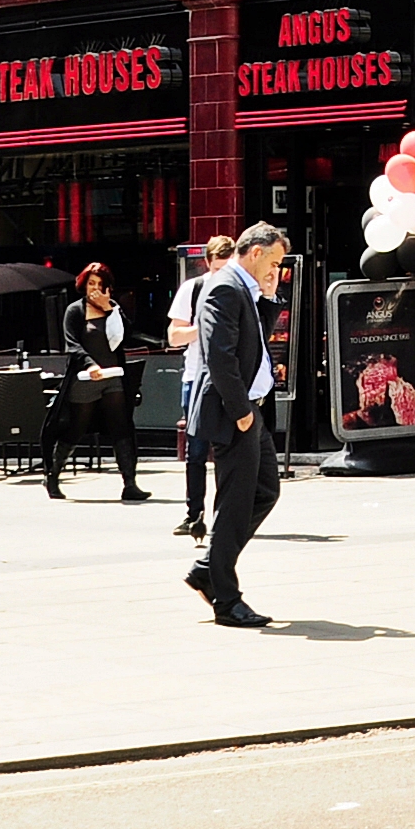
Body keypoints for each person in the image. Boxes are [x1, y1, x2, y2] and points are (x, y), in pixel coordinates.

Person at [187, 225, 286, 628]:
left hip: (252, 409)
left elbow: (255, 340)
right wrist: (240, 409)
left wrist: (268, 295)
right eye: (275, 261)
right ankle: (226, 599)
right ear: (257, 251)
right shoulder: (224, 286)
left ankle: (209, 568)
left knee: (265, 490)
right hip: (236, 411)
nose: (277, 269)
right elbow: (219, 354)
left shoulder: (246, 288)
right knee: (234, 503)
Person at [40, 263, 145, 503]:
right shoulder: (75, 311)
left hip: (113, 376)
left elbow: (125, 337)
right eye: (91, 284)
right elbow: (72, 344)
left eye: (100, 284)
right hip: (86, 377)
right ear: (84, 285)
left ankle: (130, 482)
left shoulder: (113, 309)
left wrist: (109, 309)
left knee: (122, 426)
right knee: (77, 426)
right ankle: (53, 475)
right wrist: (90, 364)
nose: (95, 289)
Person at [168, 235, 236, 540]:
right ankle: (193, 514)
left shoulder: (238, 291)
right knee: (196, 450)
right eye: (218, 267)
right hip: (196, 377)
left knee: (228, 450)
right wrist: (204, 328)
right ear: (207, 263)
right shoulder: (192, 289)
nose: (223, 274)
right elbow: (173, 336)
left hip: (229, 378)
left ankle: (227, 513)